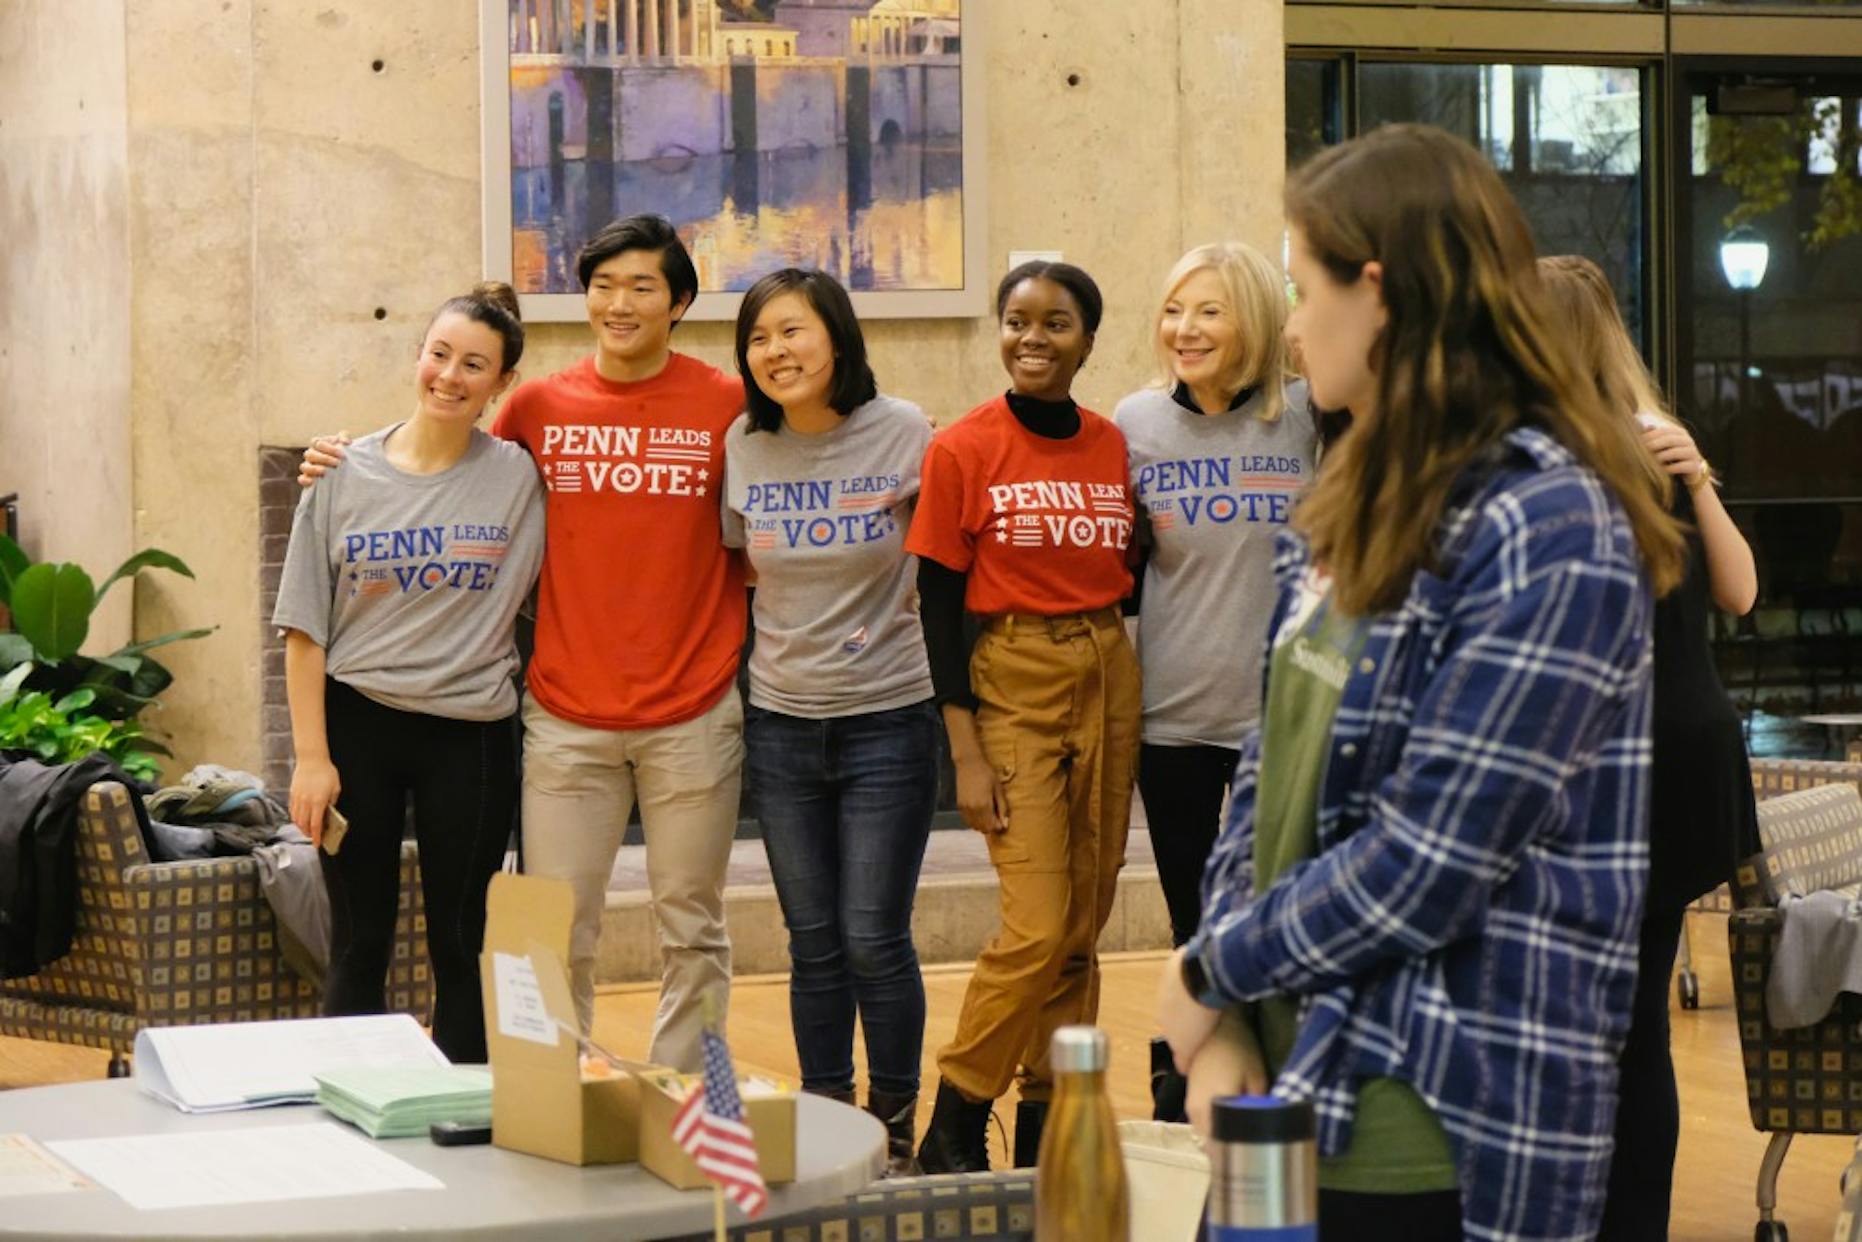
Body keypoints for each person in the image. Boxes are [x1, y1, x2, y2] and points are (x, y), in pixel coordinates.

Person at [1156, 124, 1686, 1241]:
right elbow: (1264, 775)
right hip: (1282, 1081)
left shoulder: (1548, 523)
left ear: (1381, 294)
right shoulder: (1356, 492)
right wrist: (1230, 1017)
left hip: (1429, 1125)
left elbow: (1430, 860)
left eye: (1302, 291)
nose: (1290, 327)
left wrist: (1208, 972)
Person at [301, 216, 747, 1072]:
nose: (619, 304)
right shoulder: (537, 408)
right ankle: (551, 1105)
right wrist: (342, 459)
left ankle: (688, 1105)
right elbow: (444, 458)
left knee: (694, 930)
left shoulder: (726, 404)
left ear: (681, 302)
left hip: (693, 712)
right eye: (603, 286)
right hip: (565, 717)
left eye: (642, 287)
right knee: (552, 933)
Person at [1539, 254, 1759, 1241]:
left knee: (1606, 1028)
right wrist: (1697, 476)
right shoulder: (1654, 443)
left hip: (1614, 768)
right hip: (1684, 754)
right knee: (1634, 1028)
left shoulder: (1550, 461)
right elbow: (1740, 592)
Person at [908, 260, 1141, 1172]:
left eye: (1054, 323)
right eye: (1016, 321)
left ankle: (1050, 1131)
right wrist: (963, 752)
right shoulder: (962, 448)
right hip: (1013, 674)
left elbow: (1133, 567)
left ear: (1088, 340)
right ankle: (957, 1116)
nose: (1031, 338)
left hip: (1108, 667)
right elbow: (937, 609)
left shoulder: (1113, 444)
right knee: (1038, 922)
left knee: (1082, 924)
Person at [274, 282, 543, 1063]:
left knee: (463, 942)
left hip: (472, 733)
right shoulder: (339, 473)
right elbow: (304, 629)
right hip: (358, 726)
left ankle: (466, 1115)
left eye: (474, 365)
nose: (450, 376)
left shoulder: (521, 479)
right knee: (360, 941)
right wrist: (312, 757)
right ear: (417, 356)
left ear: (502, 385)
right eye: (439, 354)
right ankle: (350, 1109)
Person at [720, 268, 938, 1173]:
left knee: (874, 938)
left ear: (838, 337)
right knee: (812, 944)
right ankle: (826, 1126)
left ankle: (892, 1134)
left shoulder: (906, 430)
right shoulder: (744, 444)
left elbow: (943, 561)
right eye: (758, 337)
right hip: (781, 724)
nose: (775, 351)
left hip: (889, 719)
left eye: (793, 331)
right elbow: (742, 566)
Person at [1112, 242, 1318, 1121]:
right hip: (1173, 720)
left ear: (1257, 321)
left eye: (1208, 311)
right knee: (1193, 921)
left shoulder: (1308, 416)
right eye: (1173, 310)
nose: (1184, 329)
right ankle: (1181, 1096)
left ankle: (1280, 1087)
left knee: (1279, 918)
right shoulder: (1134, 422)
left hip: (1287, 720)